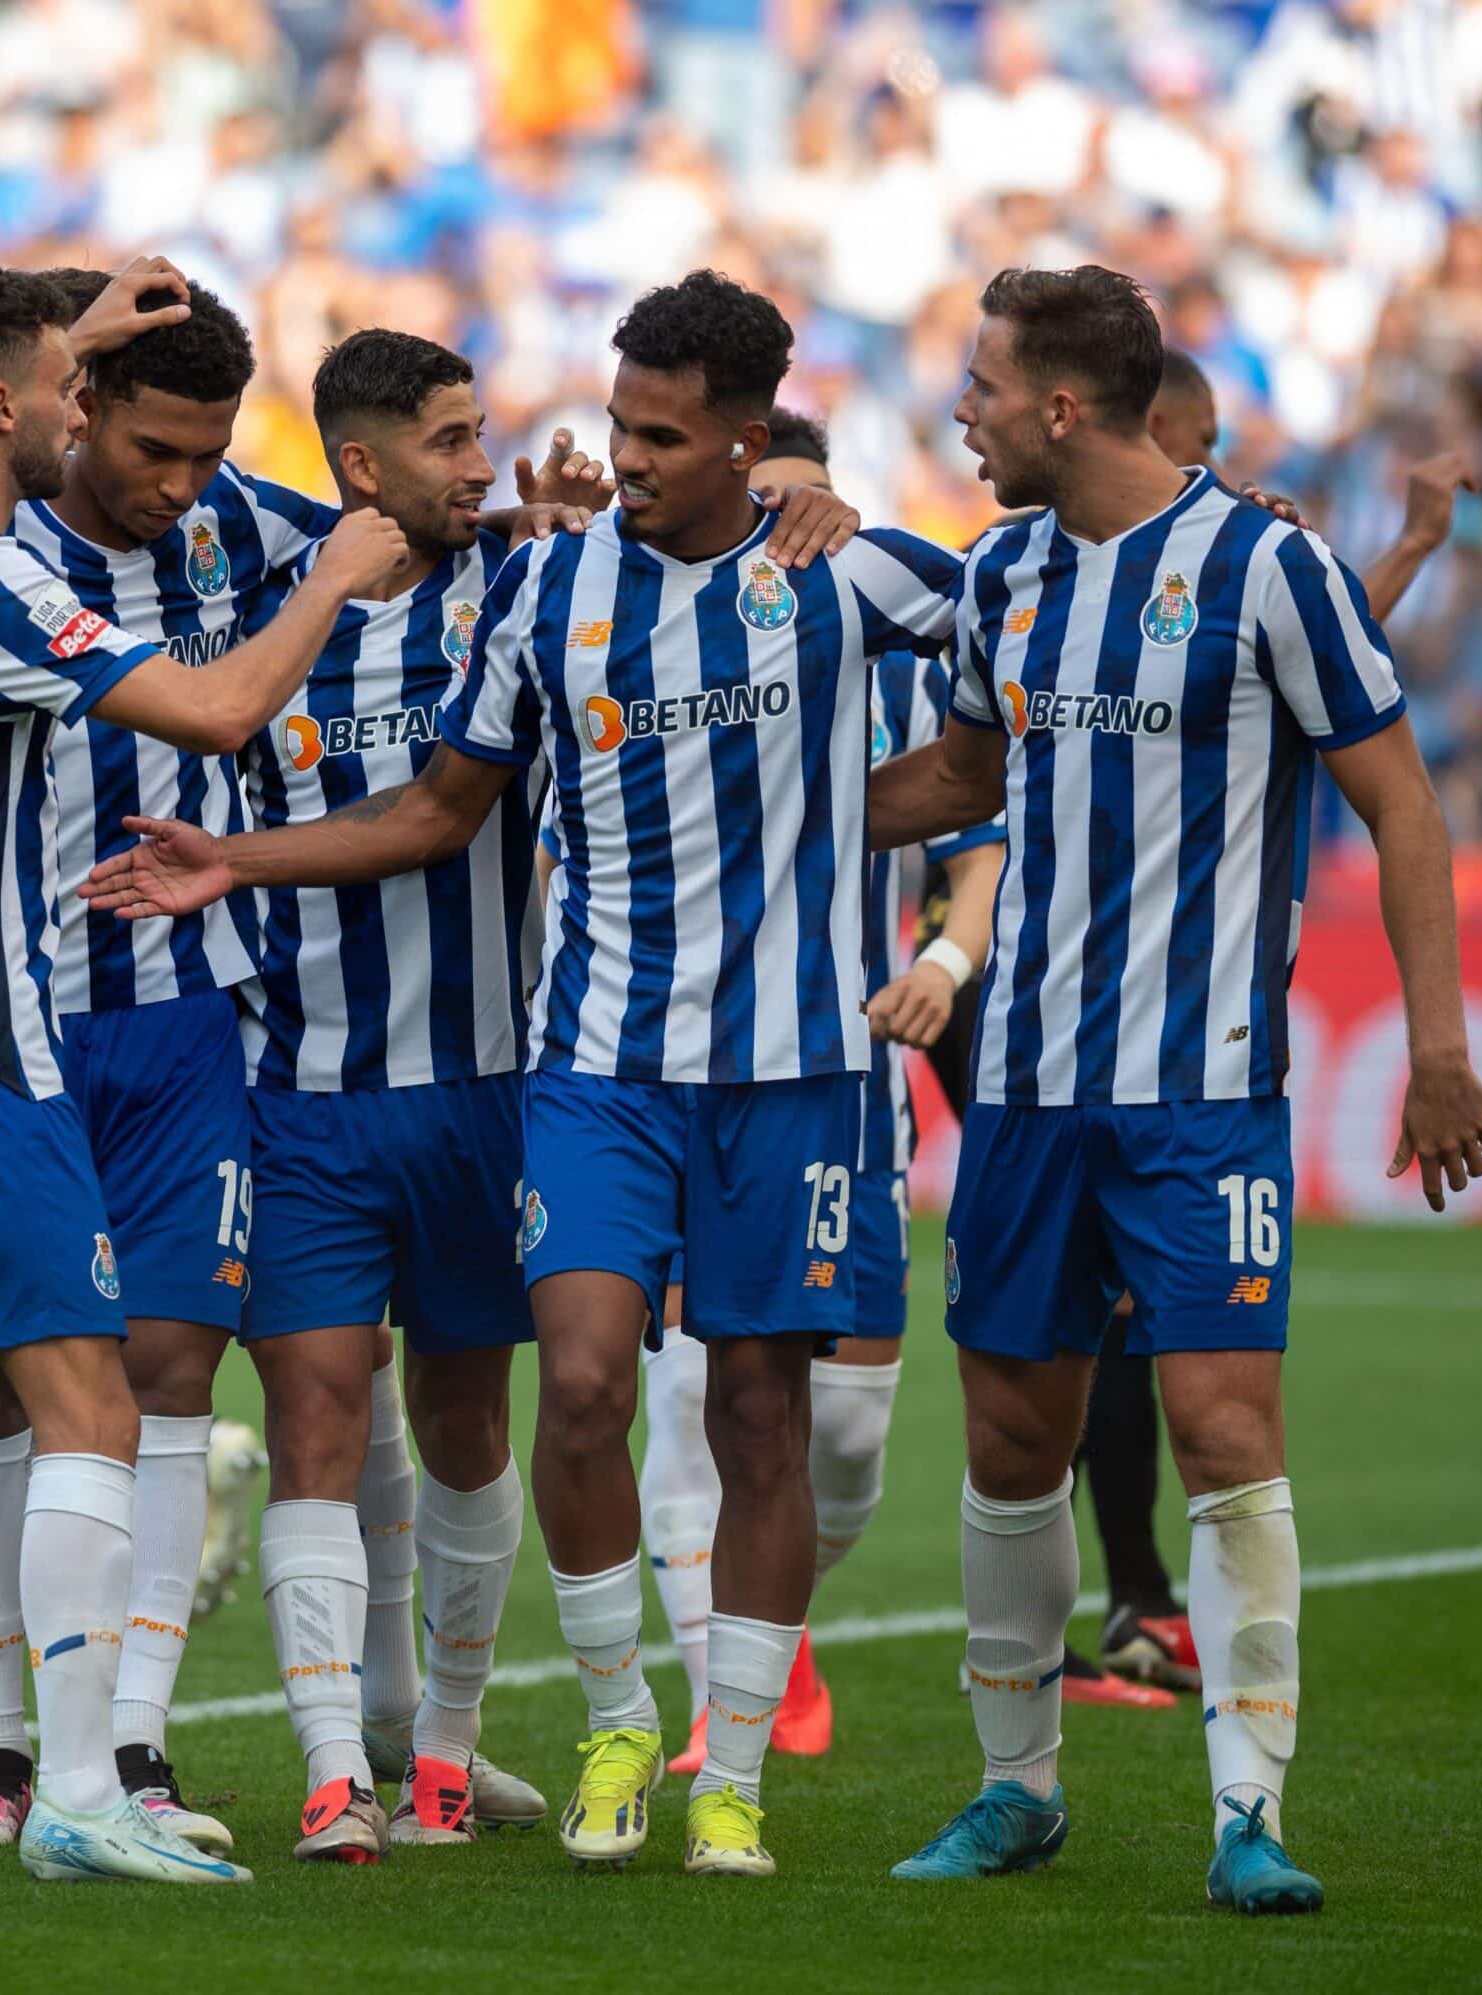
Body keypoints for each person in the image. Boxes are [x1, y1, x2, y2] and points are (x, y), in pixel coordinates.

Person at [83, 272, 970, 1884]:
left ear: (743, 439)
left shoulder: (749, 574)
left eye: (655, 431)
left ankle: (628, 1765)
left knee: (696, 1416)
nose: (583, 456)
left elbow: (1010, 690)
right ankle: (503, 1736)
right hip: (501, 1072)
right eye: (610, 422)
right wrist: (238, 862)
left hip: (679, 1074)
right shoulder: (452, 595)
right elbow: (427, 806)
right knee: (489, 1397)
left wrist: (834, 801)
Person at [0, 255, 391, 1885]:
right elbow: (228, 706)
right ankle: (92, 1793)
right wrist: (343, 569)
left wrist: (67, 334)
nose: (85, 403)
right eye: (68, 382)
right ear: (4, 406)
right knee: (91, 1402)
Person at [0, 272, 560, 1863]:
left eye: (208, 453)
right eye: (151, 447)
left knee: (172, 1377)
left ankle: (129, 1747)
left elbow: (403, 515)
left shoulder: (242, 530)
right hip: (26, 1013)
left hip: (196, 1013)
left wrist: (609, 513)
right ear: (69, 409)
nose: (180, 485)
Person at [868, 265, 1482, 1911]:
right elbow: (961, 775)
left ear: (1062, 408)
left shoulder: (1269, 568)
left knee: (1227, 1428)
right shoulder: (1002, 572)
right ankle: (1016, 1792)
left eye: (984, 387)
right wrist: (751, 809)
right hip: (1016, 1086)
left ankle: (1248, 1812)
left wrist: (1437, 1049)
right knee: (1014, 1439)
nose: (963, 412)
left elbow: (1405, 809)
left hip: (1201, 1088)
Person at [217, 328, 563, 1851]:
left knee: (468, 1418)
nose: (480, 464)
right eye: (448, 440)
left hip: (486, 1086)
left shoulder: (525, 592)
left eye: (481, 435)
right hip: (303, 1093)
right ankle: (329, 1771)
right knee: (312, 1410)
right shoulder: (259, 624)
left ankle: (442, 1747)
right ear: (361, 467)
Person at [632, 406, 1009, 1772]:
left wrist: (950, 963)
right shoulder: (655, 640)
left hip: (840, 1076)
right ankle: (717, 1704)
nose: (776, 538)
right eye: (758, 505)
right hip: (669, 1066)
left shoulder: (892, 666)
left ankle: (772, 1618)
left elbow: (975, 845)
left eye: (805, 509)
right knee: (692, 1402)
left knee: (838, 1440)